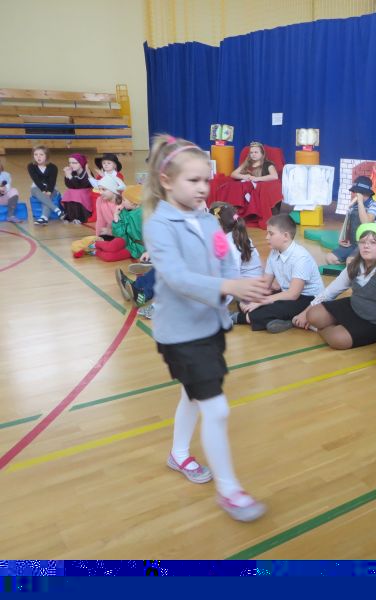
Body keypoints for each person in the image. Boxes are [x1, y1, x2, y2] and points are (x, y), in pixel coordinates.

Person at [142, 134, 269, 521]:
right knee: (216, 408)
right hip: (180, 334)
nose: (202, 188)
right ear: (167, 180)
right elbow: (177, 277)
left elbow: (225, 258)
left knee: (193, 394)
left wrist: (239, 287)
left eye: (206, 180)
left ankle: (178, 453)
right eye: (193, 180)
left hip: (209, 326)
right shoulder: (159, 225)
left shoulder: (206, 219)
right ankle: (229, 491)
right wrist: (229, 287)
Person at [294, 223, 376, 349]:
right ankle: (334, 327)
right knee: (312, 314)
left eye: (373, 242)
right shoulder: (355, 265)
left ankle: (323, 330)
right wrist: (304, 313)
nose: (366, 246)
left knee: (338, 339)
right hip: (355, 307)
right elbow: (330, 291)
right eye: (362, 242)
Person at [232, 213, 324, 333]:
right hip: (287, 293)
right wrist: (252, 299)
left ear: (285, 236)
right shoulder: (274, 252)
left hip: (307, 299)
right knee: (247, 299)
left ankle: (240, 318)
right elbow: (265, 284)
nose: (267, 237)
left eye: (271, 234)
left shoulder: (301, 257)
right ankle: (286, 320)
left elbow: (293, 294)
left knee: (267, 309)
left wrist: (261, 302)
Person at [216, 141, 280, 228]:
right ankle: (229, 213)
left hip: (257, 186)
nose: (253, 154)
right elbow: (233, 174)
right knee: (231, 186)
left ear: (262, 154)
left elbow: (274, 176)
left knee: (243, 187)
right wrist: (245, 176)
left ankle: (241, 215)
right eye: (251, 152)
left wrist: (257, 178)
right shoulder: (247, 163)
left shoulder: (267, 164)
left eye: (256, 152)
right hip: (246, 183)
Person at [326, 175, 376, 264]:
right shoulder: (353, 206)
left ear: (362, 192)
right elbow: (347, 224)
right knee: (330, 258)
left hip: (367, 244)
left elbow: (366, 223)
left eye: (356, 192)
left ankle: (357, 263)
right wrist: (343, 238)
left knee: (350, 262)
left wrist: (360, 202)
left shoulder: (374, 205)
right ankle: (354, 265)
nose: (354, 194)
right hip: (352, 244)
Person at [209, 202, 262, 279]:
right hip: (249, 280)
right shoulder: (238, 235)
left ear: (218, 223)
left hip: (247, 283)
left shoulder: (229, 243)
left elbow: (232, 273)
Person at [28, 145, 63, 225]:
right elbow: (36, 180)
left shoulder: (53, 167)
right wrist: (43, 190)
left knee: (47, 197)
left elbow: (52, 181)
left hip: (51, 187)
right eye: (36, 154)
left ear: (46, 156)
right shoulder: (31, 166)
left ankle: (44, 218)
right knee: (39, 192)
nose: (38, 157)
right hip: (37, 187)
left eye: (41, 154)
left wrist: (49, 191)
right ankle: (57, 210)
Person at [61, 154, 94, 224]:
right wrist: (67, 176)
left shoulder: (86, 172)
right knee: (68, 192)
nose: (71, 165)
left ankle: (81, 217)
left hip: (86, 192)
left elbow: (80, 185)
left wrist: (70, 177)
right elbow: (69, 186)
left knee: (77, 194)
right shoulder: (73, 171)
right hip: (78, 191)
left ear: (81, 163)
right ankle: (70, 216)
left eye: (74, 163)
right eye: (70, 163)